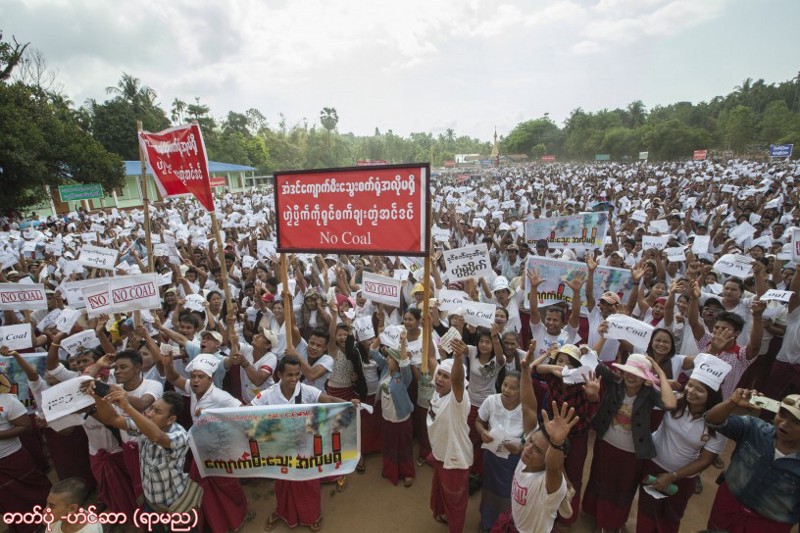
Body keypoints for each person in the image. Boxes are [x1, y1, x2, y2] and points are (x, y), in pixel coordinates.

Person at [260, 356, 360, 532]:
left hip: (306, 447)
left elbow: (328, 400)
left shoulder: (307, 390)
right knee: (283, 482)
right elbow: (247, 409)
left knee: (308, 482)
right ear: (279, 374)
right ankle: (283, 511)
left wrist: (347, 403)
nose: (294, 379)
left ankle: (313, 515)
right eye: (289, 375)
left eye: (297, 374)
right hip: (281, 448)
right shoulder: (268, 394)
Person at [582, 353, 677, 533]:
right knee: (600, 480)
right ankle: (598, 516)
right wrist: (593, 345)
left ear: (645, 378)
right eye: (629, 372)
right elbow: (590, 357)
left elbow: (670, 403)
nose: (631, 377)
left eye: (638, 374)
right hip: (605, 445)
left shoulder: (650, 394)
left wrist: (659, 373)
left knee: (622, 488)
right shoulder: (614, 381)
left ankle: (613, 521)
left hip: (632, 453)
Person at [635, 354, 730, 533]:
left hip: (682, 479)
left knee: (670, 517)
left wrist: (672, 476)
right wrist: (659, 378)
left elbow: (705, 460)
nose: (691, 391)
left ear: (711, 395)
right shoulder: (675, 401)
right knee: (647, 511)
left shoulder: (718, 424)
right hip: (653, 465)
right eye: (690, 385)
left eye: (699, 389)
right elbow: (646, 390)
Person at [490, 343, 577, 533]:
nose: (528, 448)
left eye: (538, 450)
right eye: (530, 442)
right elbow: (529, 408)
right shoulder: (528, 455)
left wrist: (556, 443)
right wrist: (525, 372)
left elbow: (553, 466)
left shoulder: (549, 483)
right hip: (512, 523)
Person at [90, 389, 200, 533]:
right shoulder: (145, 426)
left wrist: (127, 406)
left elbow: (157, 437)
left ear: (171, 420)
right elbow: (112, 419)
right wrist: (98, 397)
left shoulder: (180, 435)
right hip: (152, 505)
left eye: (157, 412)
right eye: (151, 408)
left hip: (176, 507)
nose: (149, 414)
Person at [705, 389, 800, 532]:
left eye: (796, 422)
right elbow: (711, 419)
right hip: (726, 509)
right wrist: (732, 403)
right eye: (782, 414)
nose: (784, 423)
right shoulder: (754, 428)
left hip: (767, 526)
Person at [427, 338, 473, 532]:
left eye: (446, 377)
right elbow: (431, 358)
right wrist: (427, 327)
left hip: (455, 460)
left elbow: (457, 380)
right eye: (439, 374)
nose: (439, 379)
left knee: (455, 502)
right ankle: (444, 514)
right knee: (442, 492)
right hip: (441, 454)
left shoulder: (457, 398)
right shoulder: (438, 390)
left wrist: (458, 358)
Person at [0, 376, 52, 533]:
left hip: (13, 458)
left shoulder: (7, 400)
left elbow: (25, 425)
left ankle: (51, 520)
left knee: (36, 493)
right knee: (8, 500)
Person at [475, 368, 524, 532]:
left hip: (513, 460)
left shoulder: (526, 409)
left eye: (513, 388)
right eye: (505, 385)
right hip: (492, 455)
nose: (507, 390)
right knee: (489, 490)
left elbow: (533, 438)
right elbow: (478, 421)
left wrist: (520, 448)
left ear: (522, 390)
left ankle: (503, 525)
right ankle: (487, 522)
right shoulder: (491, 401)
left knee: (507, 494)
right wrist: (483, 432)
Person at [370, 332, 414, 486]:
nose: (386, 359)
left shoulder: (404, 377)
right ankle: (390, 470)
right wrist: (382, 335)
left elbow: (405, 363)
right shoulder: (384, 369)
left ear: (396, 361)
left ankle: (407, 473)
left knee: (404, 447)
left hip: (401, 420)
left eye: (390, 357)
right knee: (388, 445)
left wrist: (402, 343)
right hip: (386, 417)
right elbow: (373, 351)